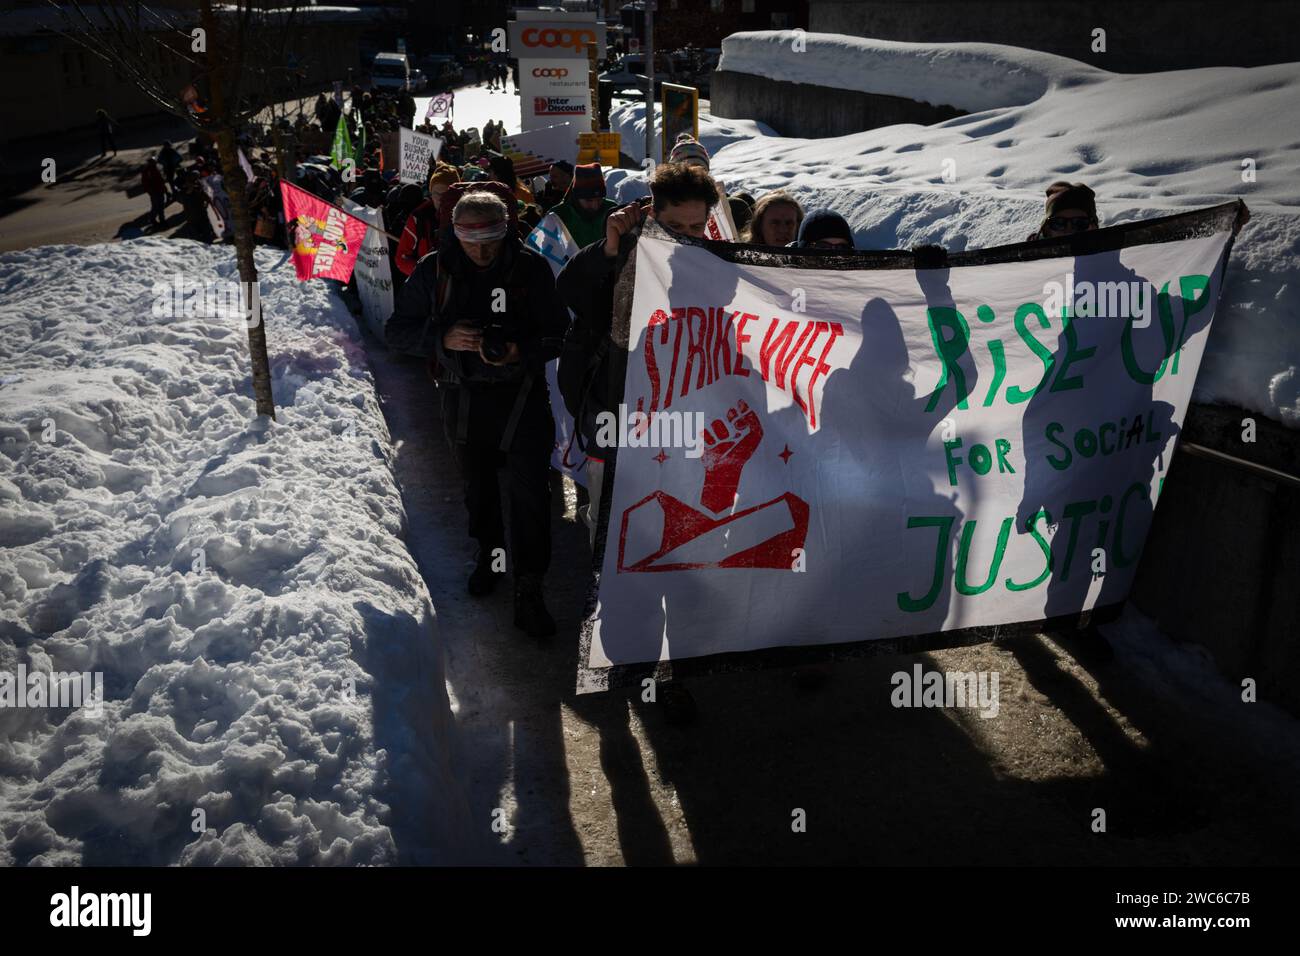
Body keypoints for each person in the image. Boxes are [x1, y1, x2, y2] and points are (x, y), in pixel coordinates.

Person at [384, 190, 570, 638]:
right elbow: (396, 331)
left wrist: (516, 350)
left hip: (522, 397)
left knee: (531, 496)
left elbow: (559, 333)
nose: (482, 250)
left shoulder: (530, 269)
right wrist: (443, 337)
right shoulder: (435, 270)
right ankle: (491, 557)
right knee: (478, 489)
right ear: (455, 233)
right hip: (462, 397)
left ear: (507, 230)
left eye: (491, 238)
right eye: (472, 240)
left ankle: (530, 588)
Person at [395, 163, 460, 276]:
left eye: (445, 193)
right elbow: (402, 259)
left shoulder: (469, 216)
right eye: (436, 193)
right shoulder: (419, 218)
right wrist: (426, 274)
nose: (440, 199)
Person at [552, 163, 617, 249]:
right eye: (589, 200)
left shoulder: (612, 209)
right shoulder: (559, 214)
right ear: (577, 197)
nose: (595, 206)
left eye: (599, 199)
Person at [1030, 181, 1100, 240]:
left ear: (1093, 226)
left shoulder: (1108, 254)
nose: (1069, 231)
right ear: (1047, 229)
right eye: (1059, 223)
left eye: (1080, 223)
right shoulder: (1027, 254)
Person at [788, 209, 855, 249]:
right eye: (823, 247)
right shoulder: (781, 271)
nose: (834, 255)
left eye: (841, 248)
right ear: (804, 248)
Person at [141, 157, 167, 228]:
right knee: (155, 206)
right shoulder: (147, 171)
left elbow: (161, 180)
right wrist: (150, 191)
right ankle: (152, 219)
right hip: (154, 192)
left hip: (160, 190)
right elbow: (145, 183)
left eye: (155, 161)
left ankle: (162, 219)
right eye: (153, 162)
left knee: (161, 206)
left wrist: (165, 189)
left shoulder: (156, 168)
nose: (155, 163)